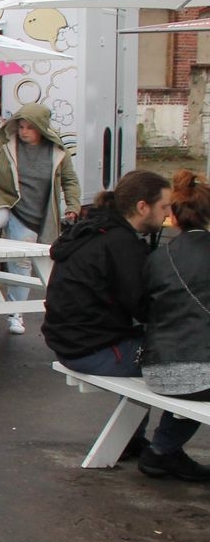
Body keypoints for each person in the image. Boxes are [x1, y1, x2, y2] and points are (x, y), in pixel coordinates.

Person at [41, 170, 178, 469]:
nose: (168, 214)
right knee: (187, 362)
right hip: (93, 349)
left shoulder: (93, 229)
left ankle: (130, 439)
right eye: (164, 207)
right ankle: (166, 451)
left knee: (150, 346)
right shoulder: (122, 246)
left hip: (69, 341)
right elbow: (145, 308)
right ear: (143, 207)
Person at [0, 102, 80, 335]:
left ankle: (16, 314)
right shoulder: (6, 143)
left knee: (22, 264)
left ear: (42, 129)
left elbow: (70, 181)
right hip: (5, 200)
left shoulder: (58, 152)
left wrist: (73, 205)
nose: (23, 131)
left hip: (34, 214)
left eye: (29, 127)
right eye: (21, 126)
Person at [139, 169, 210, 482]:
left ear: (175, 218)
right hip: (199, 374)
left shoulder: (157, 257)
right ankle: (161, 449)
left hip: (157, 369)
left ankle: (161, 451)